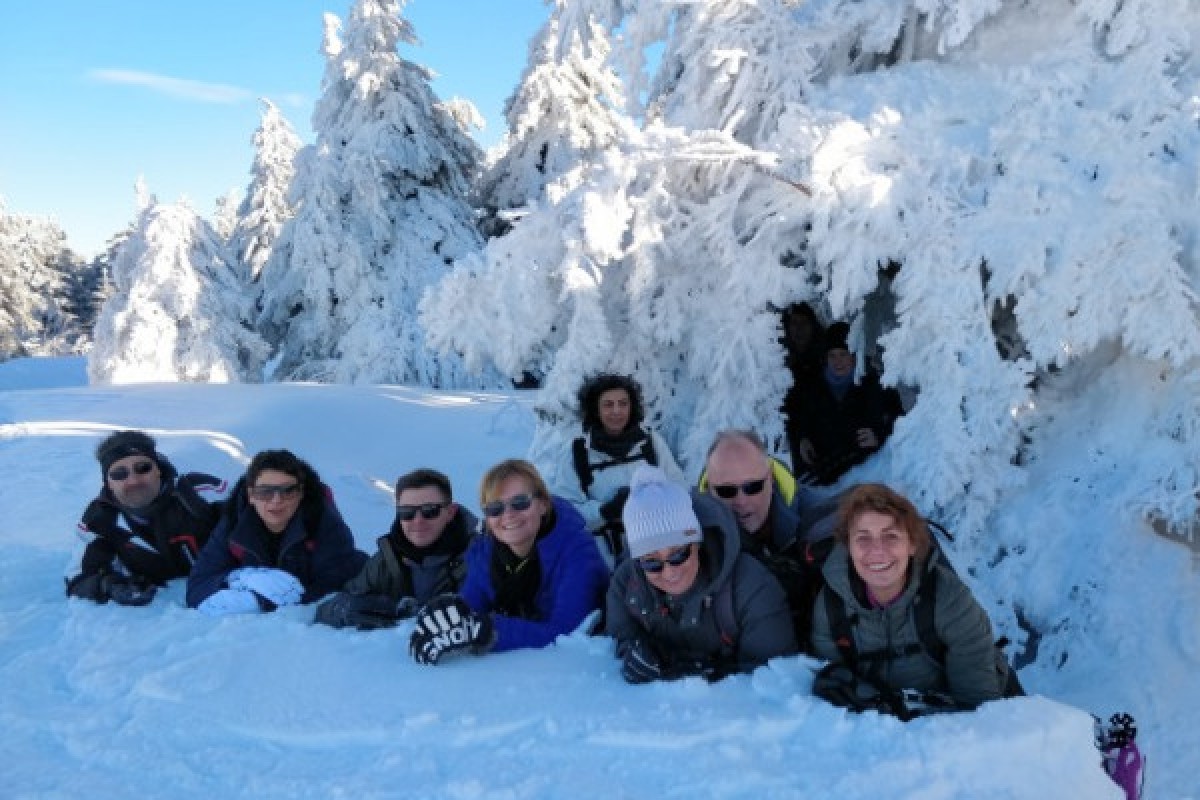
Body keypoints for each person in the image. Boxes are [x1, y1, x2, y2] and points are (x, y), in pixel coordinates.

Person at [810, 483, 1017, 715]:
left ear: (912, 544)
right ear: (848, 546)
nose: (877, 550)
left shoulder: (949, 599)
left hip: (960, 721)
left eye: (890, 536)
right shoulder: (832, 607)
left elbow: (977, 707)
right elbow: (833, 693)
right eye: (863, 538)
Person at [605, 466, 796, 683]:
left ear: (697, 543)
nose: (669, 572)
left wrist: (711, 674)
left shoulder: (751, 587)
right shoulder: (625, 586)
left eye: (678, 555)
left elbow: (777, 678)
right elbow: (620, 640)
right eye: (652, 562)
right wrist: (636, 655)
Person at [409, 459, 609, 665]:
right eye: (495, 508)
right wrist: (448, 615)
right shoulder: (486, 549)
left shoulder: (577, 551)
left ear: (543, 504)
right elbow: (471, 604)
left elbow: (567, 632)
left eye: (520, 502)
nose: (508, 515)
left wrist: (487, 630)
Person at [186, 449, 367, 616]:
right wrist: (239, 578)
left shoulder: (323, 522)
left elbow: (333, 583)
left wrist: (263, 600)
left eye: (288, 491)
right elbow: (197, 587)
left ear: (301, 493)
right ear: (251, 495)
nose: (276, 500)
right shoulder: (234, 522)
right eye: (265, 492)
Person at [66, 430, 226, 606]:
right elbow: (77, 578)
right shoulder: (100, 519)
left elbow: (254, 526)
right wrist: (110, 585)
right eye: (119, 474)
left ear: (158, 469)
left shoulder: (203, 493)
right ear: (108, 483)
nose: (133, 480)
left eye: (143, 468)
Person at [315, 468, 478, 630]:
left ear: (450, 512)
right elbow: (328, 610)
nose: (418, 520)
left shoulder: (480, 557)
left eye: (430, 510)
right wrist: (347, 609)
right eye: (407, 512)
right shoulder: (387, 559)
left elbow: (496, 615)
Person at [557, 373, 685, 558]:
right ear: (595, 409)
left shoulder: (650, 442)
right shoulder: (579, 452)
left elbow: (678, 488)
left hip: (654, 552)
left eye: (623, 403)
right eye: (608, 404)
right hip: (602, 559)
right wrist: (604, 511)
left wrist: (653, 500)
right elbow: (565, 512)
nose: (617, 411)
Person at [785, 322, 903, 486]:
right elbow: (797, 419)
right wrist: (802, 439)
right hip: (822, 480)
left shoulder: (874, 383)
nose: (837, 361)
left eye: (843, 354)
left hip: (866, 475)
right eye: (832, 355)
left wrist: (879, 435)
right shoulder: (811, 386)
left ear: (854, 356)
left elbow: (899, 420)